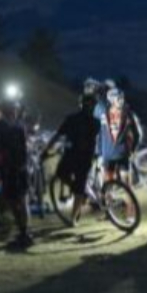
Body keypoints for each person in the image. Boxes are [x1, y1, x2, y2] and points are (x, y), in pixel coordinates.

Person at [45, 93, 101, 225]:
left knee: (62, 174)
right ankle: (73, 219)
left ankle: (75, 210)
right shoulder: (96, 122)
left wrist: (46, 150)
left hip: (71, 155)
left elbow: (57, 135)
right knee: (79, 187)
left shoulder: (71, 119)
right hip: (86, 157)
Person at [0, 101, 31, 249]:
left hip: (1, 169)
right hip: (20, 168)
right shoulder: (20, 127)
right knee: (22, 199)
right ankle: (24, 231)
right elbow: (24, 149)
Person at [98, 87, 142, 187]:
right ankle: (107, 200)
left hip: (121, 154)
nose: (122, 100)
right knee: (107, 186)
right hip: (108, 154)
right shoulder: (104, 114)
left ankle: (128, 202)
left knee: (126, 186)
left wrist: (132, 150)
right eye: (119, 98)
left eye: (122, 98)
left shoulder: (127, 113)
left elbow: (136, 134)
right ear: (112, 100)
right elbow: (100, 135)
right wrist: (99, 153)